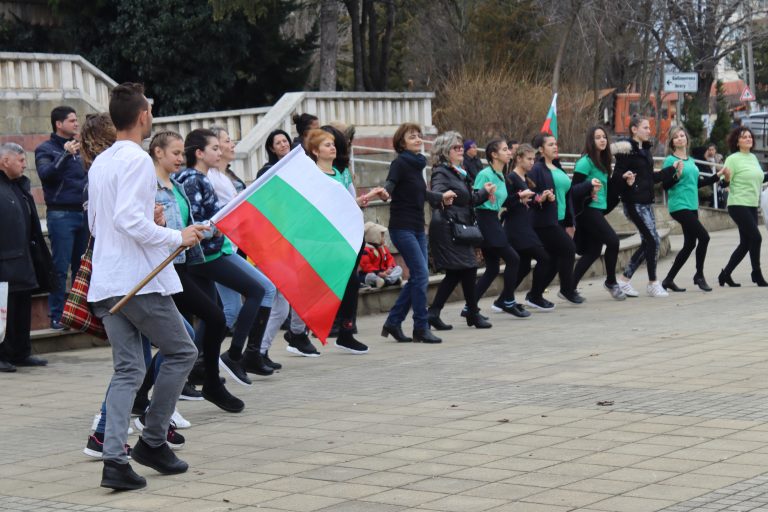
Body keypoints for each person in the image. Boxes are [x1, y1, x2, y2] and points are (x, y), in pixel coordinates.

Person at [87, 83, 203, 490]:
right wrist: (175, 236)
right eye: (149, 111)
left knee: (129, 370)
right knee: (183, 351)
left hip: (108, 280)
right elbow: (125, 221)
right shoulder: (136, 159)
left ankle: (115, 461)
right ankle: (153, 441)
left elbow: (100, 223)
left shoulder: (102, 161)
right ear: (143, 117)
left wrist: (150, 221)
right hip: (135, 282)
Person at [151, 131, 244, 412]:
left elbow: (186, 225)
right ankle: (207, 382)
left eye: (182, 153)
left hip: (185, 263)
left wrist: (204, 229)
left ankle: (146, 394)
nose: (181, 158)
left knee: (191, 332)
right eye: (175, 153)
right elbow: (152, 231)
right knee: (206, 323)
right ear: (158, 152)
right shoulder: (151, 188)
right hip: (164, 269)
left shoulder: (177, 186)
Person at [176, 129, 277, 384]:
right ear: (199, 153)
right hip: (208, 254)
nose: (219, 152)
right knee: (257, 290)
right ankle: (234, 355)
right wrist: (218, 226)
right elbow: (195, 221)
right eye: (214, 148)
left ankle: (197, 367)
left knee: (215, 314)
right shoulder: (193, 179)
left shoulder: (200, 177)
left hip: (210, 252)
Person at [304, 128, 389, 352]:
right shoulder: (312, 176)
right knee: (326, 285)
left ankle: (346, 332)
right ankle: (301, 331)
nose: (332, 148)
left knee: (351, 283)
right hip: (326, 239)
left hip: (347, 236)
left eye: (333, 144)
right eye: (326, 145)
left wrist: (370, 196)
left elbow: (349, 203)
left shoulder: (339, 173)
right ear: (315, 151)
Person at [381, 123, 451, 344]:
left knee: (418, 278)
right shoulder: (400, 163)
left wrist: (440, 198)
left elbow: (420, 193)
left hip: (418, 227)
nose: (418, 139)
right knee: (421, 276)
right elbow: (390, 184)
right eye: (412, 137)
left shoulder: (417, 163)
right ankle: (421, 327)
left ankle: (393, 322)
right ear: (402, 142)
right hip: (402, 228)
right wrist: (385, 192)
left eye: (419, 136)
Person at [426, 131, 495, 331]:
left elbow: (469, 200)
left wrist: (484, 192)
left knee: (457, 272)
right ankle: (472, 313)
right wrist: (442, 196)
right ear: (444, 151)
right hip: (448, 228)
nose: (461, 151)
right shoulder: (441, 172)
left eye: (461, 147)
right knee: (468, 267)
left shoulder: (458, 172)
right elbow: (437, 193)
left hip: (458, 226)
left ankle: (434, 313)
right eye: (455, 148)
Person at [35, 105, 89, 330]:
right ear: (59, 124)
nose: (76, 124)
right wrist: (65, 155)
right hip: (61, 215)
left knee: (81, 267)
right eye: (72, 120)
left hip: (83, 213)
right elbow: (46, 175)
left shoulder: (82, 147)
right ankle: (56, 315)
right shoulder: (45, 149)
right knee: (59, 267)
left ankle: (78, 315)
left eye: (76, 120)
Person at [0, 143, 53, 372]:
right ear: (5, 161)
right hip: (5, 261)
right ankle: (2, 354)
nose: (25, 165)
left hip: (23, 258)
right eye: (20, 160)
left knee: (22, 308)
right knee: (4, 311)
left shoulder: (19, 186)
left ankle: (21, 352)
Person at [660, 126, 729, 292]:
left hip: (692, 206)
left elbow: (696, 183)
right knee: (704, 237)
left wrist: (717, 175)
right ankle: (699, 275)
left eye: (682, 135)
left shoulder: (690, 161)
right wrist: (676, 175)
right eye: (676, 137)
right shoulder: (670, 160)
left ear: (686, 139)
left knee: (690, 244)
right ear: (672, 142)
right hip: (679, 205)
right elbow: (665, 185)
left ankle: (668, 280)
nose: (680, 138)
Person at [528, 133, 593, 305]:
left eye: (555, 144)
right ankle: (566, 289)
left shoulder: (557, 167)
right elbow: (529, 194)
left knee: (554, 260)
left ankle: (534, 294)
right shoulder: (537, 169)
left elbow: (568, 194)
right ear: (541, 149)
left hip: (560, 219)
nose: (555, 147)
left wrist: (589, 189)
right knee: (569, 249)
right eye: (550, 145)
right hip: (544, 220)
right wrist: (540, 197)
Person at [571, 126, 635, 300]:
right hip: (587, 210)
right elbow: (573, 190)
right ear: (590, 141)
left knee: (593, 251)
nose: (602, 140)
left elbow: (609, 191)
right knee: (613, 241)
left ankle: (569, 287)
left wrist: (623, 181)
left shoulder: (603, 162)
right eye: (597, 137)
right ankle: (611, 282)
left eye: (604, 137)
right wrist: (588, 188)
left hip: (598, 210)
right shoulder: (585, 162)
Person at [470, 139, 528, 318]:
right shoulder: (485, 174)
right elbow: (474, 199)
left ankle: (469, 307)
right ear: (494, 155)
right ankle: (508, 301)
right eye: (504, 150)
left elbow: (503, 202)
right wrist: (485, 194)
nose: (509, 152)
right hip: (485, 221)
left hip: (493, 220)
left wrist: (519, 197)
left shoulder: (501, 175)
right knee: (514, 259)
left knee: (493, 268)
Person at [613, 116, 668, 298]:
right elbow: (617, 176)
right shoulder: (626, 150)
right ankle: (653, 283)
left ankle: (624, 280)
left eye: (649, 128)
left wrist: (672, 171)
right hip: (633, 203)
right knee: (652, 241)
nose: (649, 131)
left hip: (647, 202)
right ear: (634, 129)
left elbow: (650, 178)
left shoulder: (645, 150)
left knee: (650, 241)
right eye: (645, 127)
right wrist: (626, 179)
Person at [503, 144, 554, 311]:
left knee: (524, 265)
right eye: (529, 159)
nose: (532, 162)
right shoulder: (511, 178)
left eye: (533, 159)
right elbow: (505, 202)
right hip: (516, 228)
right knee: (544, 258)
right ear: (519, 159)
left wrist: (541, 199)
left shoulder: (525, 179)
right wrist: (519, 197)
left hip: (525, 225)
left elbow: (529, 204)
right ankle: (535, 297)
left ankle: (503, 299)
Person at [719, 126, 768, 287]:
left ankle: (725, 274)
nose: (748, 139)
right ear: (737, 141)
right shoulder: (733, 159)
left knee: (746, 243)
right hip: (738, 204)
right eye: (744, 137)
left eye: (750, 136)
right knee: (756, 237)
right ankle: (756, 273)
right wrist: (726, 179)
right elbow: (723, 182)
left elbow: (760, 178)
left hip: (752, 204)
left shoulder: (753, 158)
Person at [359, 222, 403, 288]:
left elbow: (390, 259)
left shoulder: (383, 248)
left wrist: (389, 268)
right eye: (382, 236)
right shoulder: (365, 250)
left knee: (398, 268)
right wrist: (378, 273)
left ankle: (388, 280)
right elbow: (366, 266)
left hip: (384, 273)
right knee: (370, 276)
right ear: (374, 237)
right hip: (372, 273)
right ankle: (390, 280)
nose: (384, 238)